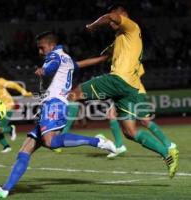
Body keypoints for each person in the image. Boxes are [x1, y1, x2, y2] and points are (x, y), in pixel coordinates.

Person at [0, 31, 116, 198]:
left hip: (54, 104)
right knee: (25, 149)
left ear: (52, 45)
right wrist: (103, 58)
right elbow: (80, 64)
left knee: (51, 142)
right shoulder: (66, 58)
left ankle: (98, 141)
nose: (40, 51)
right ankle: (5, 189)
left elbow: (50, 67)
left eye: (42, 48)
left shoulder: (54, 57)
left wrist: (43, 71)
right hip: (51, 104)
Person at [69, 4, 178, 178]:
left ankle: (60, 136)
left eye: (114, 17)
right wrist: (74, 65)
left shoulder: (131, 27)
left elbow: (109, 17)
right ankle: (167, 154)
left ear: (123, 15)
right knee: (130, 132)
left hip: (118, 80)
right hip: (129, 88)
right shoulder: (121, 39)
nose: (111, 22)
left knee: (72, 95)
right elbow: (103, 57)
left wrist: (93, 25)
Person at [0, 63, 33, 153]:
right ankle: (6, 146)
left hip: (7, 106)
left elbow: (14, 85)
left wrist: (24, 92)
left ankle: (11, 129)